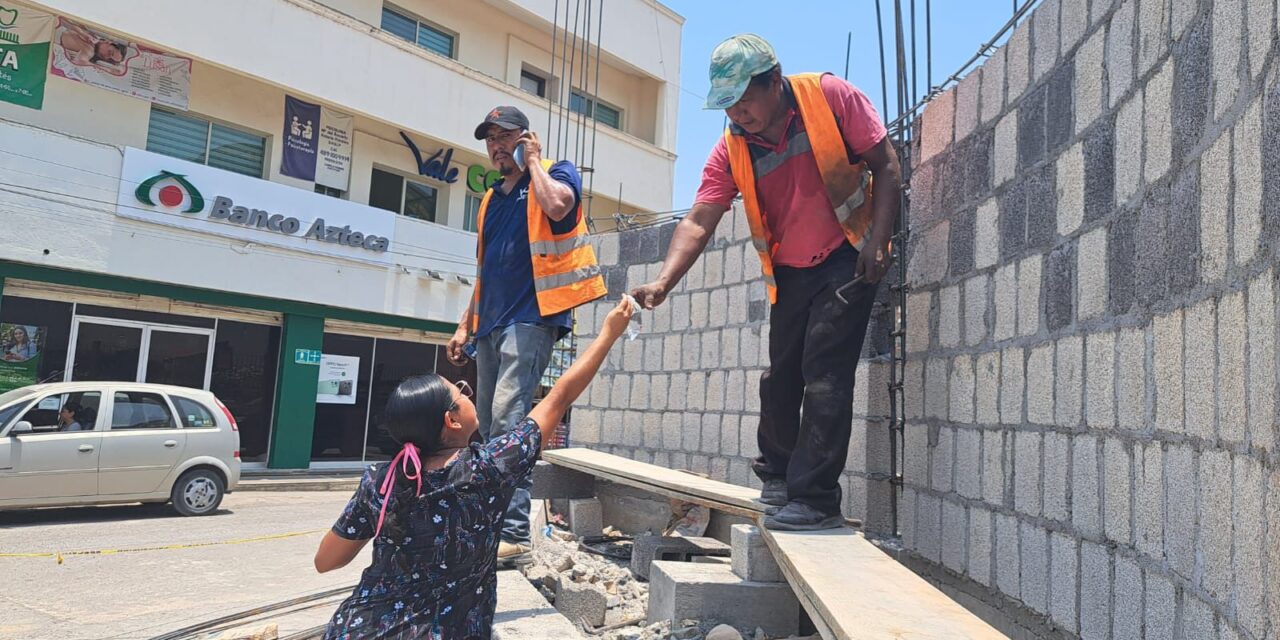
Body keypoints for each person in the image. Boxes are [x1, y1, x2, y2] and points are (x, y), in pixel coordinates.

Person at [631, 34, 903, 531]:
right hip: (790, 271)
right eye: (727, 104)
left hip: (847, 256)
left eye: (743, 99)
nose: (736, 113)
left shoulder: (830, 96)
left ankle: (817, 501)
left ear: (774, 81)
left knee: (824, 374)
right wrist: (663, 282)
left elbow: (886, 165)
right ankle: (777, 474)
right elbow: (699, 218)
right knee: (780, 378)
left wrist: (879, 240)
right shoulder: (732, 146)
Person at [314, 298, 635, 640]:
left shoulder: (382, 479)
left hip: (357, 628)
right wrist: (608, 333)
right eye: (461, 393)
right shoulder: (491, 468)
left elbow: (326, 561)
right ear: (451, 420)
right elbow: (560, 397)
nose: (469, 394)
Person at [445, 105, 606, 565]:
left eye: (505, 137)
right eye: (491, 139)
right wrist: (464, 324)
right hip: (491, 324)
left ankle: (514, 531)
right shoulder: (490, 201)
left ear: (525, 138)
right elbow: (485, 272)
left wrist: (533, 161)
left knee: (509, 418)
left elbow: (558, 207)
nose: (497, 146)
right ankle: (492, 523)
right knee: (488, 425)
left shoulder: (556, 173)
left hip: (533, 318)